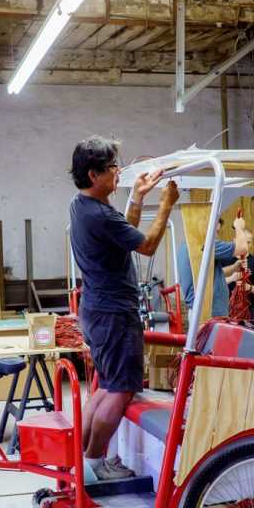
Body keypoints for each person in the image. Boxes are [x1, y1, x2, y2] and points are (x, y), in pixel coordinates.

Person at [68, 136, 179, 481]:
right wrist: (165, 205)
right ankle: (96, 462)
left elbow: (125, 234)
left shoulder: (82, 205)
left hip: (97, 309)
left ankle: (83, 458)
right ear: (94, 174)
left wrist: (138, 197)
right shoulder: (99, 214)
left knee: (103, 386)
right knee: (120, 389)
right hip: (114, 313)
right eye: (113, 167)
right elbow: (144, 245)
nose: (119, 171)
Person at [176, 217, 247, 318]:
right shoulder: (205, 245)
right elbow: (243, 247)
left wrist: (233, 268)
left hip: (203, 312)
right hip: (210, 313)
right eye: (215, 231)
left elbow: (208, 274)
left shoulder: (186, 247)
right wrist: (239, 227)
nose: (216, 236)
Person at [230, 227, 254, 323]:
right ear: (234, 239)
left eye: (248, 242)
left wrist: (248, 287)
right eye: (242, 241)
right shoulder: (224, 260)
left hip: (249, 310)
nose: (245, 245)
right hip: (228, 310)